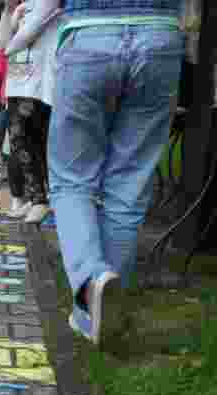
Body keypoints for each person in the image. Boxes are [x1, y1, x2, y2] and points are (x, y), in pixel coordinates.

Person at [49, 0, 183, 345]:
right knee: (129, 183)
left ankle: (92, 286)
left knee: (71, 181)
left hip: (88, 32)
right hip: (159, 35)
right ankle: (102, 310)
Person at [0, 0, 61, 224]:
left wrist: (10, 45)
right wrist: (8, 10)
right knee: (19, 139)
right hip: (17, 81)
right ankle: (38, 199)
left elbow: (26, 34)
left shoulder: (46, 2)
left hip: (39, 81)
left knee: (29, 138)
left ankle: (41, 199)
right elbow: (2, 41)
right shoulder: (20, 7)